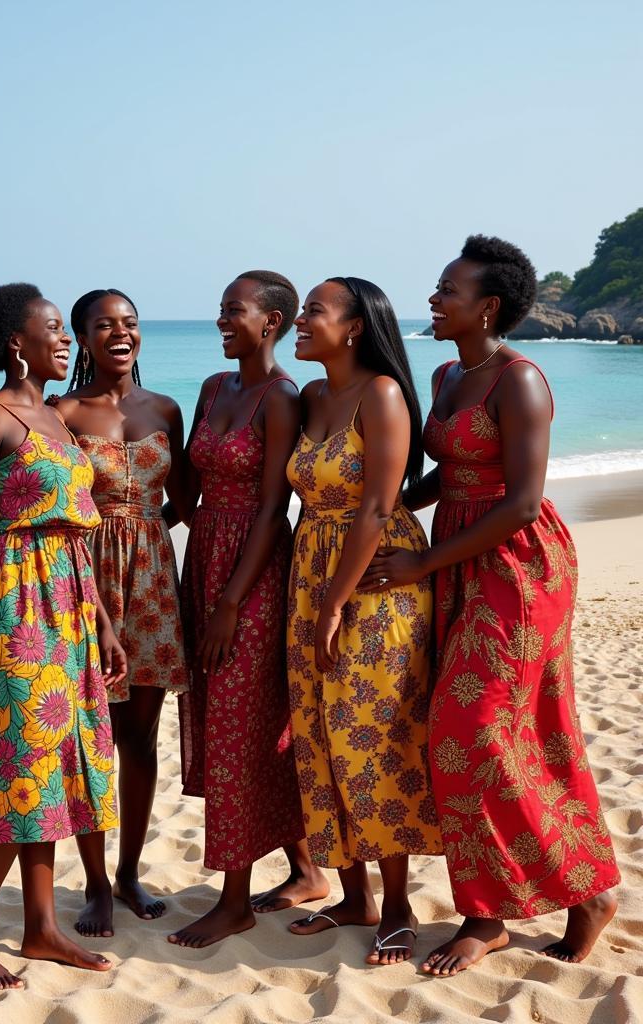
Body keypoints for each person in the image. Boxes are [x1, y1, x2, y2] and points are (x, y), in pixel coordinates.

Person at [360, 235, 620, 974]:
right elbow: (450, 471)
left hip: (517, 565)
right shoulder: (448, 374)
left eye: (448, 291)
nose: (435, 300)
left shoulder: (520, 380)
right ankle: (562, 894)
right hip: (459, 557)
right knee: (519, 735)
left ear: (489, 306)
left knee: (467, 727)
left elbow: (522, 500)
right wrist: (382, 510)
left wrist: (418, 562)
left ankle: (495, 914)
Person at [0, 283, 126, 990]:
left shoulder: (54, 417)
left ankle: (40, 929)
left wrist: (101, 619)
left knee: (51, 771)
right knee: (23, 766)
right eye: (53, 328)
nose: (64, 338)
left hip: (69, 602)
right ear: (18, 342)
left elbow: (75, 527)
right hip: (13, 599)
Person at [169, 271, 329, 950]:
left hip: (255, 569)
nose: (222, 321)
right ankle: (308, 869)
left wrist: (232, 601)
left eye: (234, 312)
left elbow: (273, 507)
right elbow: (185, 483)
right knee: (235, 715)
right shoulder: (212, 388)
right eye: (221, 311)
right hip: (203, 551)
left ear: (273, 322)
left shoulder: (282, 397)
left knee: (241, 720)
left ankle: (233, 901)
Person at [285, 277, 442, 965]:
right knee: (319, 733)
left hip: (373, 577)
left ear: (353, 328)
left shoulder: (380, 394)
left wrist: (335, 603)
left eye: (314, 310)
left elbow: (379, 506)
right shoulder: (315, 396)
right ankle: (354, 895)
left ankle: (400, 904)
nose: (300, 319)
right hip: (311, 568)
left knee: (376, 736)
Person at [49, 288, 190, 937]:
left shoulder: (165, 408)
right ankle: (97, 883)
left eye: (129, 323)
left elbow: (183, 497)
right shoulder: (63, 410)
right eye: (104, 325)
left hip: (154, 580)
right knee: (88, 738)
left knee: (139, 740)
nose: (119, 333)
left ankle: (129, 870)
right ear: (81, 337)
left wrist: (143, 535)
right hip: (85, 575)